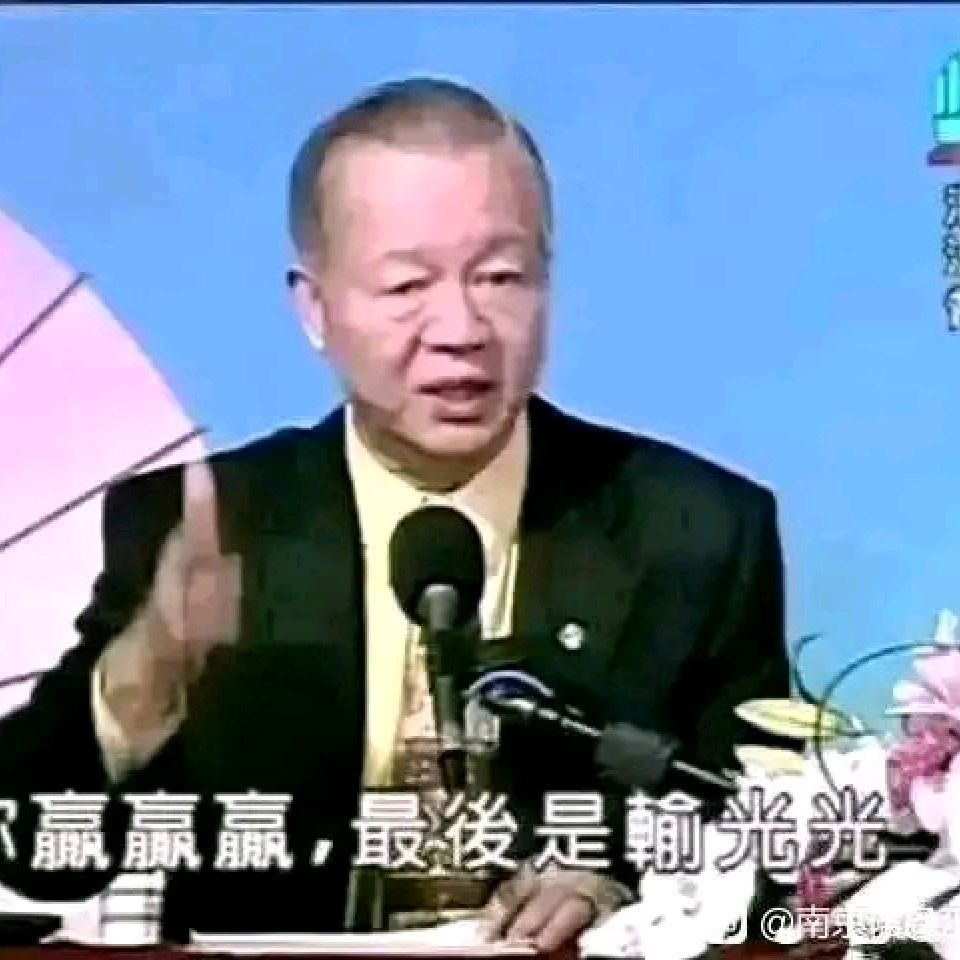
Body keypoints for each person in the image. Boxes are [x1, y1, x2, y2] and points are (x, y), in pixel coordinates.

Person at [0, 76, 790, 950]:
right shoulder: (205, 525)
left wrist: (625, 886)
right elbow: (36, 855)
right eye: (407, 285)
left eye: (501, 277)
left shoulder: (696, 528)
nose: (461, 328)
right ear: (315, 309)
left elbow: (767, 835)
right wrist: (140, 681)